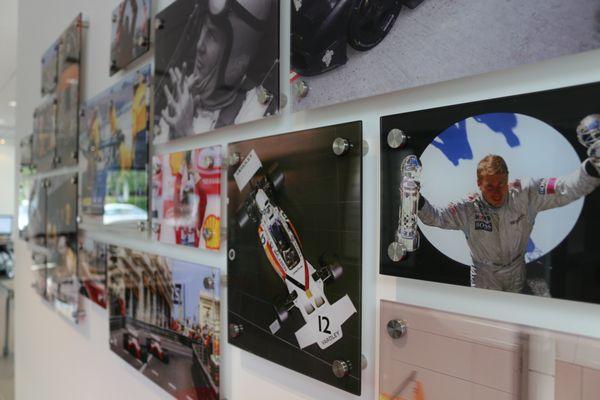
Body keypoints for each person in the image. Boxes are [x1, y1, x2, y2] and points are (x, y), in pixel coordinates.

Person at [418, 153, 600, 293]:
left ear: (508, 179)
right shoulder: (469, 208)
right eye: (490, 187)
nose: (497, 192)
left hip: (515, 269)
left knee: (514, 318)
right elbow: (436, 217)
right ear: (479, 184)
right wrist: (416, 201)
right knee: (485, 322)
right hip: (484, 274)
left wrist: (591, 169)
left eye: (501, 184)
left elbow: (563, 188)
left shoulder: (525, 194)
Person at [157, 0, 277, 141]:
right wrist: (172, 129)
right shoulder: (181, 98)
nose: (199, 46)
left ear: (238, 62)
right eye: (203, 29)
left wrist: (185, 135)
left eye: (212, 36)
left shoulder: (256, 109)